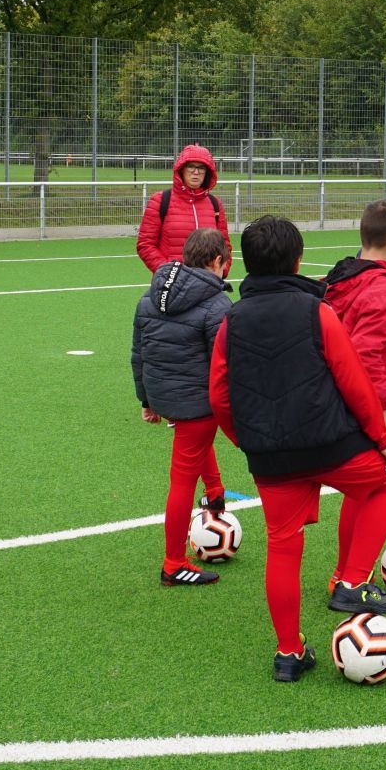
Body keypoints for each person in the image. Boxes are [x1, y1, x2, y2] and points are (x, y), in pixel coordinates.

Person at [208, 215, 386, 682]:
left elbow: (218, 396)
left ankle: (289, 654)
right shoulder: (317, 311)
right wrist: (382, 442)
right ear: (297, 261)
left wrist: (248, 440)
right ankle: (351, 581)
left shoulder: (230, 321)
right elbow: (354, 381)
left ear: (246, 263)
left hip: (271, 458)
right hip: (332, 445)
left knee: (282, 546)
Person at [131, 227, 234, 587]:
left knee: (194, 444)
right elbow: (226, 365)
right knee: (182, 479)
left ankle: (215, 493)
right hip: (197, 401)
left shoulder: (149, 297)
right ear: (217, 261)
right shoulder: (217, 305)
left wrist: (147, 400)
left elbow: (138, 354)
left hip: (165, 395)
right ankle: (174, 563)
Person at [324, 201, 386, 438]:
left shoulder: (340, 276)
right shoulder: (383, 289)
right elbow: (364, 353)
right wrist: (385, 406)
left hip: (336, 394)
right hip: (361, 403)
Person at [137, 145, 230, 273]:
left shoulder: (215, 204)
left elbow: (224, 245)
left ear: (208, 172)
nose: (196, 172)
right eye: (191, 166)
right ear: (181, 169)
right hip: (172, 283)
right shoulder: (160, 200)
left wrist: (221, 271)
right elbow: (145, 244)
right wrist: (169, 274)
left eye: (201, 168)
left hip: (208, 282)